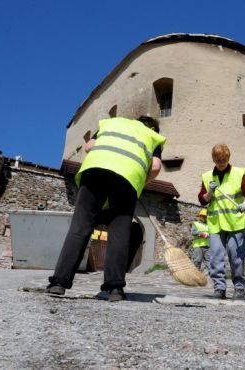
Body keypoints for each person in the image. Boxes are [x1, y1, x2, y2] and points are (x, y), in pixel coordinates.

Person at [46, 115, 166, 302]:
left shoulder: (110, 123)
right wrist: (140, 182)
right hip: (127, 178)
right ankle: (115, 288)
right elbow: (156, 167)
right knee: (119, 231)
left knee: (80, 227)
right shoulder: (152, 136)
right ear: (152, 127)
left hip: (96, 170)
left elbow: (89, 147)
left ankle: (58, 283)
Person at [198, 144, 245, 300]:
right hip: (216, 223)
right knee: (216, 256)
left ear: (228, 158)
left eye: (223, 159)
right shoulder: (207, 176)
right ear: (214, 159)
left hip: (236, 222)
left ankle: (239, 288)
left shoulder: (238, 173)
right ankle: (219, 288)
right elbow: (203, 200)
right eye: (218, 160)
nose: (221, 162)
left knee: (235, 256)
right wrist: (209, 192)